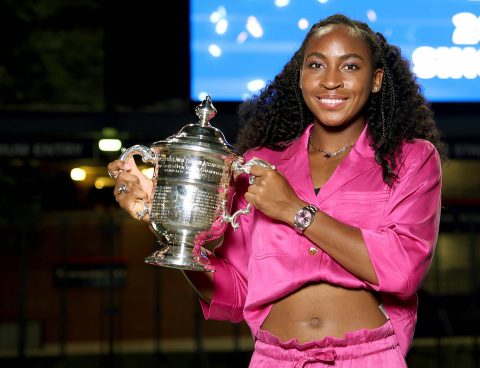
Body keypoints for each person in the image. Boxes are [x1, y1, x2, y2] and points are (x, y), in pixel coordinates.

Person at [108, 13, 444, 367]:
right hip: (274, 359)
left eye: (349, 67)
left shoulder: (412, 158)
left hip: (369, 356)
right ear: (301, 76)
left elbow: (403, 271)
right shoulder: (258, 165)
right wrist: (169, 221)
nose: (331, 81)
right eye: (316, 65)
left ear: (375, 81)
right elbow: (235, 294)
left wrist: (294, 210)